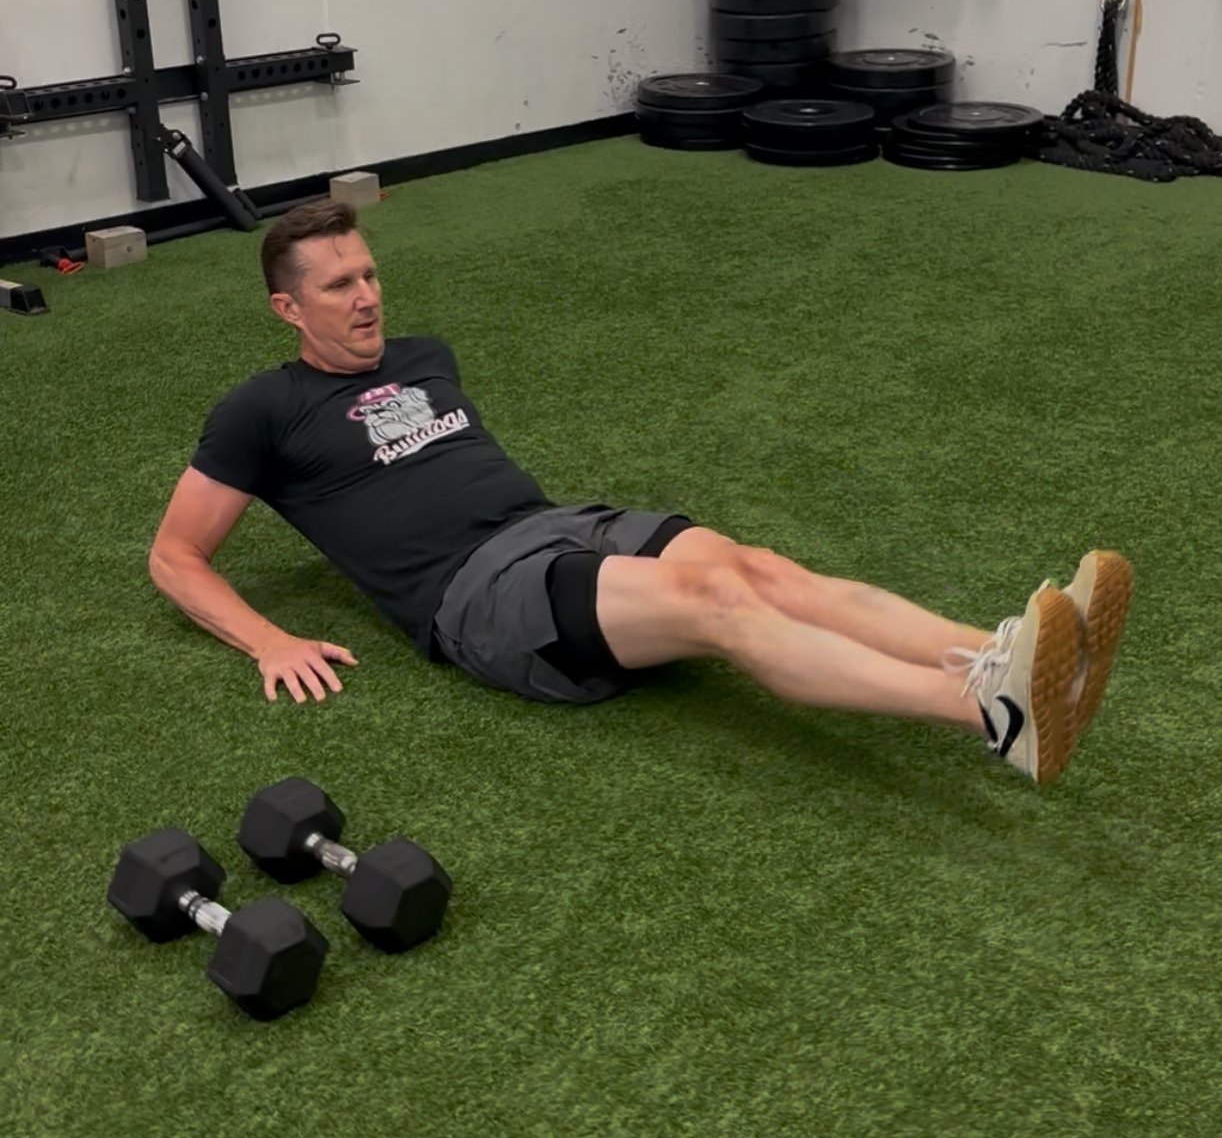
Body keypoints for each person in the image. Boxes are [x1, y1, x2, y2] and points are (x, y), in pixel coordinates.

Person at [149, 200, 1133, 786]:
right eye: (337, 288)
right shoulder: (261, 411)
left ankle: (1004, 652)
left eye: (369, 275)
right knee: (719, 607)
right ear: (287, 308)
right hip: (478, 596)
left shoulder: (422, 356)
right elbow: (174, 555)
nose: (366, 299)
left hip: (558, 528)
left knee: (761, 569)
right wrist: (269, 640)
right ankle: (994, 716)